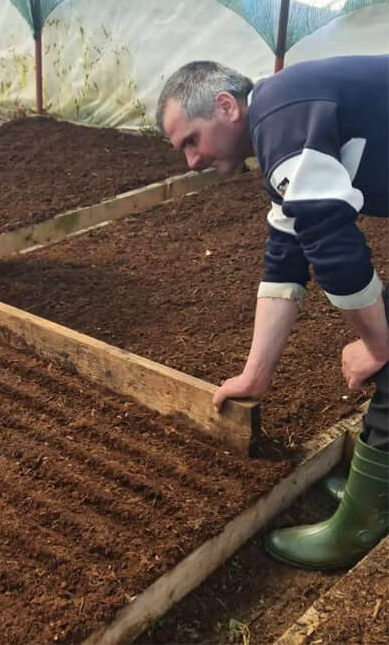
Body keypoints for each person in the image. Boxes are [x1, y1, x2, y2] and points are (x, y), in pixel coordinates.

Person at [156, 57, 389, 570]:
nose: (190, 161)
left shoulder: (280, 119)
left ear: (225, 106)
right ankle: (371, 488)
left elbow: (333, 246)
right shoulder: (284, 119)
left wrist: (377, 346)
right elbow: (287, 255)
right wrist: (253, 376)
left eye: (191, 141)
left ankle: (361, 526)